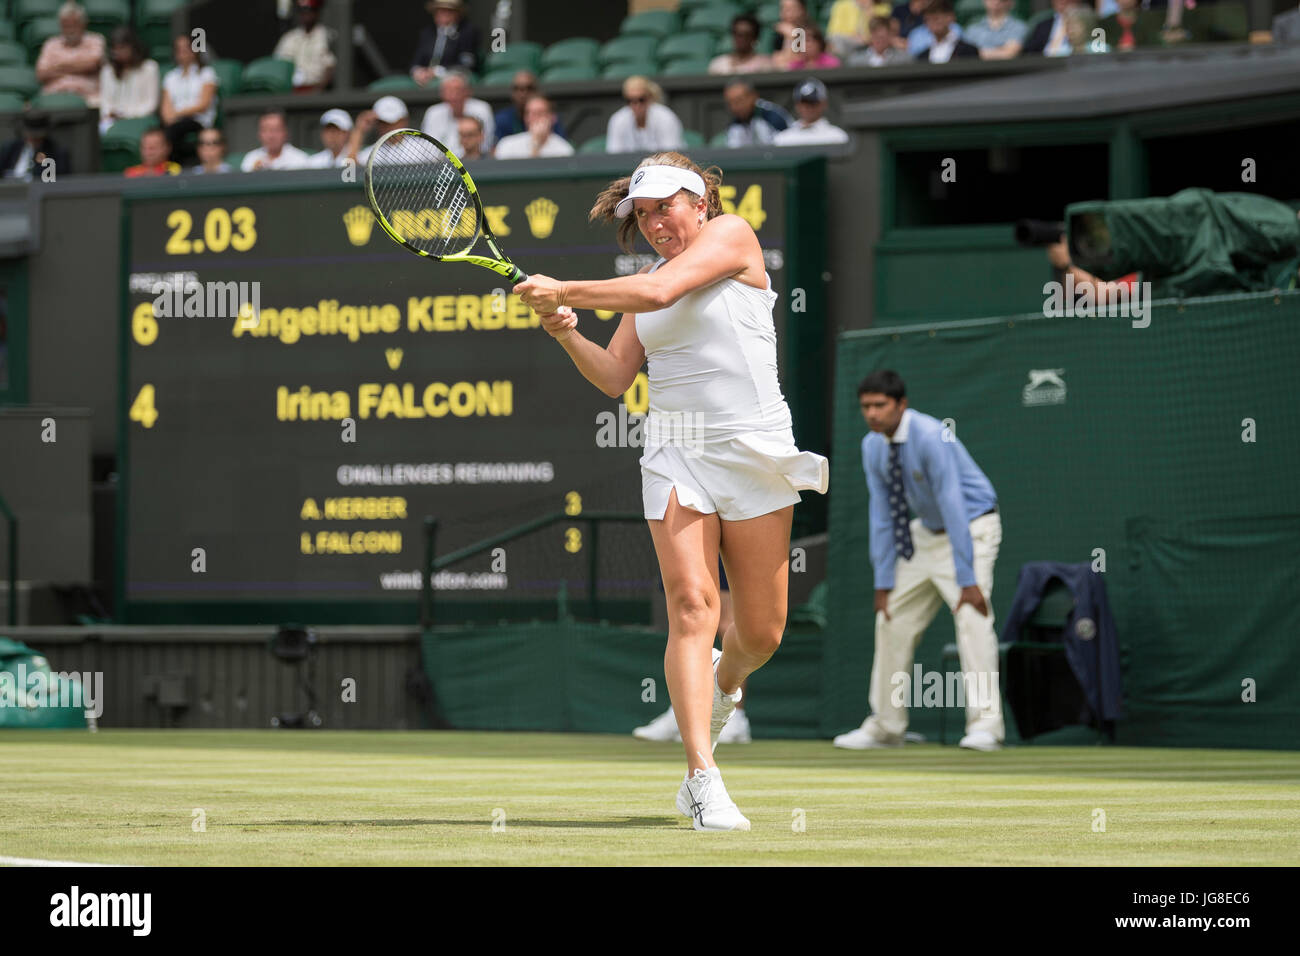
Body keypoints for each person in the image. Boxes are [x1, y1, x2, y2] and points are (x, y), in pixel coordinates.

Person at [514, 154, 829, 830]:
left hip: (754, 449)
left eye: (667, 207)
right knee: (692, 605)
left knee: (762, 632)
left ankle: (724, 682)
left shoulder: (733, 237)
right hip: (675, 449)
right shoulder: (646, 282)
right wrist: (565, 330)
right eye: (645, 214)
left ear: (701, 202)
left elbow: (660, 296)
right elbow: (613, 376)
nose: (657, 223)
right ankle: (701, 778)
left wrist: (564, 288)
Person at [835, 370, 1004, 752]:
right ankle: (886, 727)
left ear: (901, 405)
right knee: (890, 618)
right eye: (866, 406)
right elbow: (882, 514)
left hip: (972, 527)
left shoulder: (931, 435)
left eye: (880, 405)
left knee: (973, 619)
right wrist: (883, 582)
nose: (872, 413)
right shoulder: (872, 446)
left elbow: (952, 501)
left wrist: (966, 577)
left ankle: (986, 727)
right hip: (925, 533)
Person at [633, 559, 753, 744]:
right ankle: (682, 714)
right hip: (684, 541)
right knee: (687, 617)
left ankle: (734, 716)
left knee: (727, 621)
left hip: (726, 544)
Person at [160, 34, 219, 165]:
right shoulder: (170, 77)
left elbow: (203, 105)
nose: (183, 53)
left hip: (199, 122)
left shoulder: (207, 73)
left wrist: (178, 113)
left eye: (186, 48)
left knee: (175, 130)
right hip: (175, 124)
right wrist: (173, 117)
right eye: (179, 49)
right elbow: (166, 111)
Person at [34, 2, 106, 104]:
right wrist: (79, 67)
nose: (70, 29)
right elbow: (42, 73)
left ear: (83, 24)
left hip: (87, 98)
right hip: (55, 98)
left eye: (74, 25)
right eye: (66, 25)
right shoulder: (51, 44)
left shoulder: (96, 40)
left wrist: (58, 66)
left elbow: (93, 64)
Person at [98, 27, 158, 135]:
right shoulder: (107, 70)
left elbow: (150, 105)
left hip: (140, 120)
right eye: (115, 49)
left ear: (133, 47)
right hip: (113, 121)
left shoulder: (149, 68)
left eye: (122, 48)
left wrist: (126, 115)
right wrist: (110, 113)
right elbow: (105, 101)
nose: (119, 53)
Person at [420, 71, 495, 156]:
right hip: (442, 162)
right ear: (442, 94)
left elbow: (485, 144)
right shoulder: (433, 113)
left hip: (475, 160)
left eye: (458, 90)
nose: (453, 95)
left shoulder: (482, 109)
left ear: (467, 91)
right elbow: (429, 148)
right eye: (449, 91)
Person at [605, 76, 683, 154]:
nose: (636, 105)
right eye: (629, 100)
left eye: (641, 100)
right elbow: (613, 155)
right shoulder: (617, 120)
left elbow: (671, 155)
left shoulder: (665, 118)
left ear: (650, 97)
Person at [411, 0, 481, 86]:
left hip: (452, 76)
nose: (444, 14)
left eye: (449, 11)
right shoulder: (427, 33)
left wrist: (437, 72)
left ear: (457, 13)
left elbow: (466, 64)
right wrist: (419, 72)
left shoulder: (467, 32)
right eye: (439, 11)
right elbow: (416, 61)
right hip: (424, 78)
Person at [272, 0, 336, 93]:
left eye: (310, 10)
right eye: (302, 11)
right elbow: (279, 66)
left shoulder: (328, 36)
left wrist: (318, 91)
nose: (306, 15)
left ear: (317, 12)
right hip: (290, 91)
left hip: (317, 90)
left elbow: (330, 67)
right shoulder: (289, 38)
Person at [493, 71, 567, 141]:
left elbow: (560, 144)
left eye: (529, 88)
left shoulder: (549, 118)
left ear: (536, 90)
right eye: (517, 89)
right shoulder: (502, 119)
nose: (523, 94)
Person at [773, 78, 849, 145]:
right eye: (804, 102)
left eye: (813, 102)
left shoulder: (837, 137)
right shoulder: (782, 139)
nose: (808, 107)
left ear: (823, 104)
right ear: (797, 105)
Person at [493, 95, 573, 159]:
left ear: (552, 118)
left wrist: (537, 143)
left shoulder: (564, 149)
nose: (532, 118)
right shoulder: (507, 144)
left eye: (539, 113)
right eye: (528, 113)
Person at [0, 112, 71, 180]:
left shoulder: (56, 153)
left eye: (38, 137)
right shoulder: (10, 148)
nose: (34, 139)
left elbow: (59, 180)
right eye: (30, 135)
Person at [722, 80, 792, 148]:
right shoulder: (734, 123)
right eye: (730, 103)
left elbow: (789, 143)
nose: (734, 107)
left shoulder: (772, 116)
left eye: (739, 100)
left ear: (753, 96)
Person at [240, 109, 311, 171]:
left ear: (286, 132)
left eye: (276, 129)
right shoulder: (251, 159)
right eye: (265, 130)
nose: (271, 136)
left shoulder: (300, 160)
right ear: (259, 133)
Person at [348, 95, 409, 166]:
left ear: (404, 121)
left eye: (393, 123)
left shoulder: (420, 147)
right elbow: (350, 168)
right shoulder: (371, 153)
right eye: (383, 123)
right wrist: (359, 130)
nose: (388, 127)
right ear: (377, 124)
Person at [914, 0, 980, 61]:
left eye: (936, 18)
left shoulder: (969, 51)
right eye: (927, 19)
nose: (932, 23)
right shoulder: (922, 56)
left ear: (950, 17)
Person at [708, 14, 775, 75]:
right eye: (738, 34)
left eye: (747, 35)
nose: (742, 39)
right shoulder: (718, 64)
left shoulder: (765, 65)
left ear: (755, 37)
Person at [771, 0, 816, 68]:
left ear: (803, 10)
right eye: (783, 8)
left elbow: (801, 61)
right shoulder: (780, 35)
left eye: (792, 8)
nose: (786, 13)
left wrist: (791, 35)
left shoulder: (812, 34)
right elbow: (779, 64)